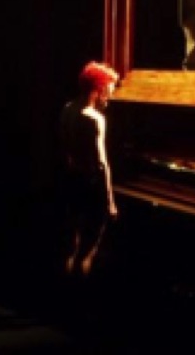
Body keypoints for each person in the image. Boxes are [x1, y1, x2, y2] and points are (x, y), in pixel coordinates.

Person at [58, 61, 120, 279]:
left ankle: (65, 290)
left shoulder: (67, 110)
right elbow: (102, 163)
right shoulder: (94, 119)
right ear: (99, 88)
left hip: (71, 181)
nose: (110, 95)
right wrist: (110, 201)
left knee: (71, 244)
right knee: (88, 251)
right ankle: (82, 294)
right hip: (91, 186)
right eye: (109, 89)